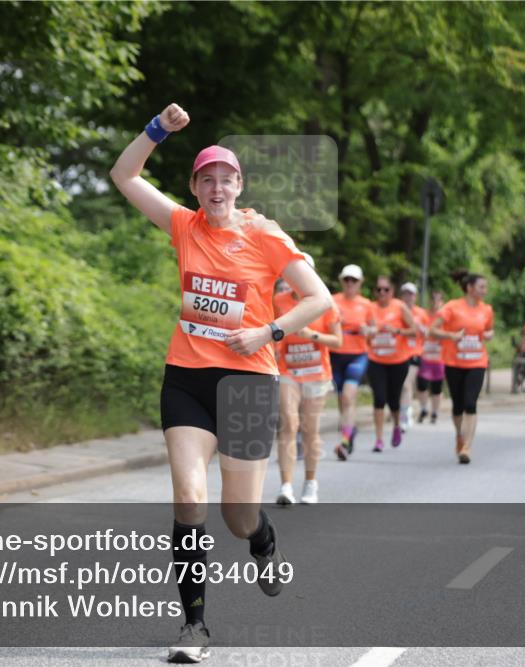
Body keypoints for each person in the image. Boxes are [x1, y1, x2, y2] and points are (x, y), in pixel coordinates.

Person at [110, 103, 333, 663]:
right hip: (187, 378)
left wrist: (269, 332)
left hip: (249, 381)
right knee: (189, 497)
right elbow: (124, 176)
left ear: (239, 186)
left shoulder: (264, 234)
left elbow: (318, 298)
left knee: (238, 516)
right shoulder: (183, 226)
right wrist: (158, 129)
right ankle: (194, 627)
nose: (216, 187)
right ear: (195, 187)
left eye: (225, 178)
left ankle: (261, 540)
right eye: (206, 178)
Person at [274, 254, 342, 505]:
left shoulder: (326, 303)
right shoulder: (278, 301)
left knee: (310, 429)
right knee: (289, 425)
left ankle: (310, 483)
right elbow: (269, 330)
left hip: (316, 373)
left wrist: (312, 335)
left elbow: (338, 341)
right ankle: (286, 486)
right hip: (288, 371)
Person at [428, 270, 495, 464]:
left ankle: (467, 446)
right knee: (458, 405)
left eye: (485, 287)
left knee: (470, 403)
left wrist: (489, 335)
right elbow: (432, 329)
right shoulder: (452, 307)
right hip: (454, 362)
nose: (485, 290)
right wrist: (451, 336)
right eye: (481, 287)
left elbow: (489, 330)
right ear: (470, 288)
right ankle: (459, 434)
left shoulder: (487, 310)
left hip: (477, 362)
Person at [366, 275, 418, 452]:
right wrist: (369, 331)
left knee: (393, 399)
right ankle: (379, 439)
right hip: (376, 360)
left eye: (386, 289)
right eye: (378, 289)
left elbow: (414, 331)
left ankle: (396, 424)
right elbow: (363, 329)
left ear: (392, 291)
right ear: (374, 291)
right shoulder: (369, 308)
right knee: (379, 398)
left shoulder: (399, 307)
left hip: (398, 361)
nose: (382, 293)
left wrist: (396, 330)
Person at [330, 264, 373, 461]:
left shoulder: (366, 305)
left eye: (354, 280)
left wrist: (368, 330)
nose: (350, 284)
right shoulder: (332, 301)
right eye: (346, 279)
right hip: (336, 355)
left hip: (357, 354)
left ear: (360, 283)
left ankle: (345, 441)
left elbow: (375, 329)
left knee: (348, 396)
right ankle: (349, 431)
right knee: (342, 400)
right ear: (341, 281)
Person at [398, 282, 429, 431]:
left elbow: (429, 332)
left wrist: (423, 330)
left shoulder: (421, 313)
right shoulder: (397, 311)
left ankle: (406, 414)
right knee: (400, 385)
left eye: (411, 294)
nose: (408, 297)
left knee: (406, 383)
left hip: (415, 352)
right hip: (398, 353)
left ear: (415, 296)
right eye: (405, 293)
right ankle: (402, 410)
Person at [416, 290, 446, 424]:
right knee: (422, 385)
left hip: (439, 358)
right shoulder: (425, 316)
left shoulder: (445, 318)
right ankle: (423, 408)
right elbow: (419, 330)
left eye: (438, 300)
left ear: (442, 302)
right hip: (426, 356)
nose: (435, 303)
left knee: (436, 387)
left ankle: (435, 412)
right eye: (433, 300)